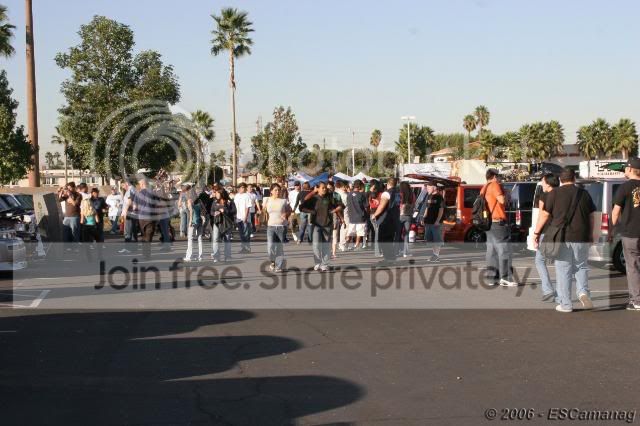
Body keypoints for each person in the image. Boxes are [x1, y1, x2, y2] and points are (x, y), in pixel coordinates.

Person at [534, 168, 596, 313]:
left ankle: (566, 304)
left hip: (562, 237)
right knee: (581, 266)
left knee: (563, 269)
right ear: (574, 179)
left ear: (561, 180)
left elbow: (544, 215)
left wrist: (536, 232)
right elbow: (592, 216)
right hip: (581, 236)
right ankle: (583, 292)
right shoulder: (584, 193)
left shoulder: (554, 194)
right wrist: (591, 234)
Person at [611, 157, 640, 311]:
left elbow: (616, 212)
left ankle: (637, 300)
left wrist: (612, 230)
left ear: (630, 169)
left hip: (631, 233)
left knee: (633, 266)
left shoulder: (625, 187)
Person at [482, 169, 517, 287]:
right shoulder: (494, 185)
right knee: (504, 250)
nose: (500, 179)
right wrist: (506, 193)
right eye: (499, 176)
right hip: (498, 222)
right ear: (494, 177)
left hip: (488, 222)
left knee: (491, 250)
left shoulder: (484, 187)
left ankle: (491, 278)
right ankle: (505, 278)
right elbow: (502, 200)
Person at [301, 182, 344, 272]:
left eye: (325, 188)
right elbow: (302, 206)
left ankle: (324, 264)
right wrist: (311, 211)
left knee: (326, 246)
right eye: (323, 188)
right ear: (318, 189)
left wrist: (337, 212)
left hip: (327, 224)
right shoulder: (314, 198)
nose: (325, 189)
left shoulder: (329, 198)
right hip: (316, 225)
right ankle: (317, 263)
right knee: (316, 245)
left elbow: (340, 206)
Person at [533, 174, 559, 302]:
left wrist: (536, 233)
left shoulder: (544, 196)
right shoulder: (561, 194)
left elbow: (542, 215)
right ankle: (560, 292)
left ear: (548, 183)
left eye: (543, 181)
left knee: (539, 260)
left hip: (546, 232)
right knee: (561, 262)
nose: (542, 184)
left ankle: (548, 290)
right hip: (560, 232)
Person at [372, 178, 401, 263]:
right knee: (389, 239)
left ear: (388, 184)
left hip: (386, 218)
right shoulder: (398, 192)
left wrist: (374, 215)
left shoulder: (386, 193)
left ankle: (389, 258)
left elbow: (382, 206)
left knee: (383, 239)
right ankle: (391, 258)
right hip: (395, 218)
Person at [263, 183, 291, 272]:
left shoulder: (284, 201)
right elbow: (263, 212)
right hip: (271, 226)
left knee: (279, 247)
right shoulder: (266, 200)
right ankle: (272, 261)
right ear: (271, 191)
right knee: (270, 246)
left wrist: (286, 214)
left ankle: (279, 266)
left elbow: (289, 210)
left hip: (281, 226)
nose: (277, 192)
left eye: (279, 190)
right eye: (275, 190)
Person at [133, 176, 160, 260]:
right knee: (148, 235)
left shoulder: (138, 194)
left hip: (141, 218)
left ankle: (145, 253)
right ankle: (146, 254)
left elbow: (134, 207)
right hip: (150, 217)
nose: (139, 186)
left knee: (144, 235)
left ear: (142, 184)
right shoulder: (153, 193)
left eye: (139, 184)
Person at [210, 185, 235, 262]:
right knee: (215, 239)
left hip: (227, 223)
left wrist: (225, 211)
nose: (216, 194)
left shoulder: (229, 202)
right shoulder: (214, 202)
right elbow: (211, 211)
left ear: (221, 194)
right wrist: (214, 213)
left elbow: (234, 211)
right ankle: (216, 256)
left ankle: (227, 256)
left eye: (217, 193)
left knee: (227, 239)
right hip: (217, 222)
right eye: (216, 193)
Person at [420, 184, 444, 262]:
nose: (427, 189)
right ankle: (434, 255)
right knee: (430, 240)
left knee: (436, 239)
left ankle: (436, 255)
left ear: (434, 187)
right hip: (428, 221)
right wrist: (423, 218)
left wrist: (437, 220)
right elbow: (427, 208)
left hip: (435, 222)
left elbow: (441, 210)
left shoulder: (439, 197)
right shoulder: (429, 196)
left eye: (429, 187)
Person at [346, 179, 369, 250]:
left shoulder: (349, 194)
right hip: (361, 216)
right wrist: (367, 214)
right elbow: (366, 206)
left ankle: (346, 244)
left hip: (351, 216)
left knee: (350, 232)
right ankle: (356, 244)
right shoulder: (362, 195)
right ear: (359, 186)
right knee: (360, 232)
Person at [57, 182, 83, 247]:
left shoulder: (78, 195)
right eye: (68, 188)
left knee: (74, 233)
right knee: (65, 233)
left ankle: (75, 247)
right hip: (66, 217)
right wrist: (61, 191)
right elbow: (59, 200)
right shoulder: (66, 195)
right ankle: (67, 247)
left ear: (74, 188)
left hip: (74, 217)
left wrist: (69, 196)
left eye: (70, 188)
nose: (69, 190)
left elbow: (74, 204)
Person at [184, 187, 204, 262]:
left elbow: (191, 211)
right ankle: (200, 256)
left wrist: (190, 221)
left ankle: (189, 256)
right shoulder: (199, 201)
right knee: (199, 238)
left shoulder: (189, 200)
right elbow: (203, 210)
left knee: (190, 239)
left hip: (193, 222)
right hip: (200, 221)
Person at [234, 183, 253, 254]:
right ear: (239, 188)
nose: (243, 188)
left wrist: (245, 217)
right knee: (241, 234)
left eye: (244, 187)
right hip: (238, 217)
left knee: (246, 233)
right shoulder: (236, 196)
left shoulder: (247, 196)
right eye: (242, 187)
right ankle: (243, 248)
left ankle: (247, 248)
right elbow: (235, 207)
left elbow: (247, 207)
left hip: (245, 218)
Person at [398, 182, 416, 257]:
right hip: (408, 215)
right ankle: (405, 252)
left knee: (398, 233)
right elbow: (414, 205)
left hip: (399, 215)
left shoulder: (399, 194)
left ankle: (398, 250)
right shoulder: (412, 195)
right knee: (406, 234)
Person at [368, 180, 383, 257]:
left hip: (372, 214)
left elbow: (369, 205)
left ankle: (378, 251)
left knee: (376, 233)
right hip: (378, 214)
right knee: (378, 233)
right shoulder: (381, 194)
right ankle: (378, 251)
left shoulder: (369, 194)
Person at [335, 181, 350, 251]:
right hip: (343, 212)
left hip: (345, 212)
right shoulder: (342, 194)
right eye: (345, 186)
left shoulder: (342, 193)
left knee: (344, 228)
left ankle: (343, 244)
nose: (346, 188)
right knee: (345, 228)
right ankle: (342, 244)